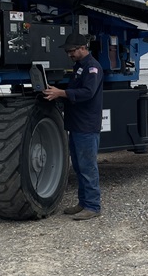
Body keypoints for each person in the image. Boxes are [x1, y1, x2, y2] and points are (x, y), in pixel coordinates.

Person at [43, 33, 103, 220]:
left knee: (87, 167)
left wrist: (61, 93)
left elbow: (88, 92)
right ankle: (83, 203)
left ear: (83, 48)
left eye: (72, 51)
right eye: (68, 51)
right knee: (78, 166)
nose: (69, 54)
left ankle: (93, 206)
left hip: (86, 126)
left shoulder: (92, 67)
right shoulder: (80, 66)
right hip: (77, 124)